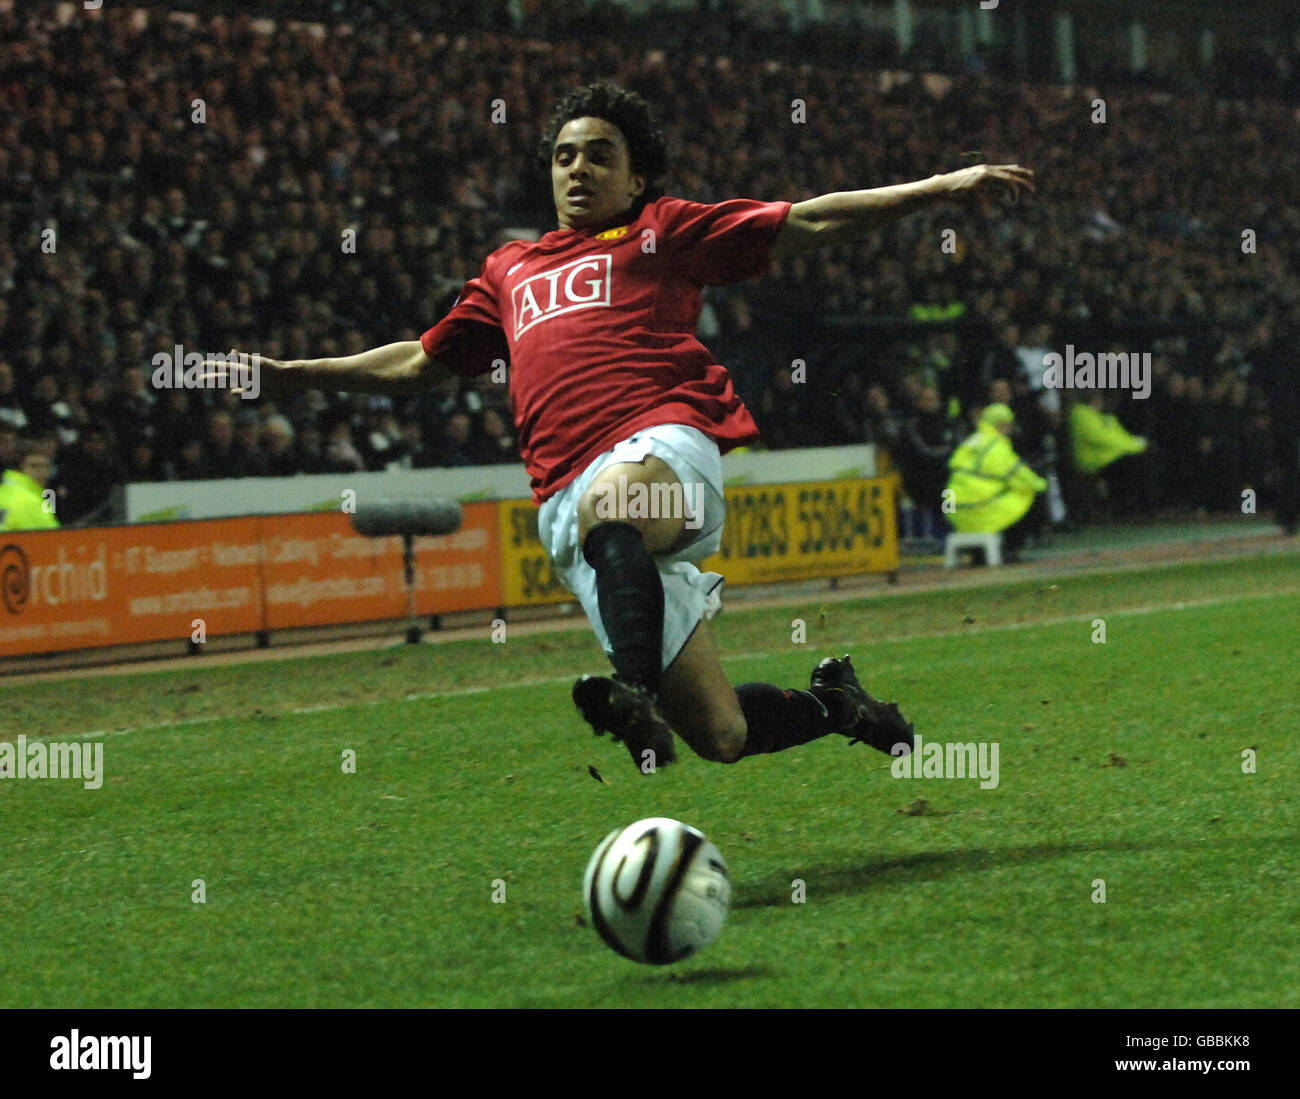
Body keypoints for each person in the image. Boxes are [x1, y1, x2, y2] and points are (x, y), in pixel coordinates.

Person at [208, 83, 1033, 771]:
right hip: (568, 502)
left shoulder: (661, 232)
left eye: (600, 153)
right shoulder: (508, 269)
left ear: (637, 176)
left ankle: (629, 689)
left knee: (616, 508)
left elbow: (808, 220)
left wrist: (943, 188)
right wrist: (290, 374)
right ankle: (841, 704)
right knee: (720, 733)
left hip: (660, 443)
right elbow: (417, 362)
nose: (577, 168)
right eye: (565, 154)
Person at [945, 403, 1046, 559]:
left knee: (996, 495)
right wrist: (1040, 484)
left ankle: (978, 554)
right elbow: (1021, 476)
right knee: (1025, 496)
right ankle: (1011, 549)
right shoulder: (998, 446)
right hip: (978, 507)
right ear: (1001, 424)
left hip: (951, 507)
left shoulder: (971, 441)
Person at [0, 440, 60, 532]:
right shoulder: (29, 501)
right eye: (34, 466)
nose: (42, 471)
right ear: (20, 469)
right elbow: (53, 538)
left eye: (46, 466)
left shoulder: (4, 491)